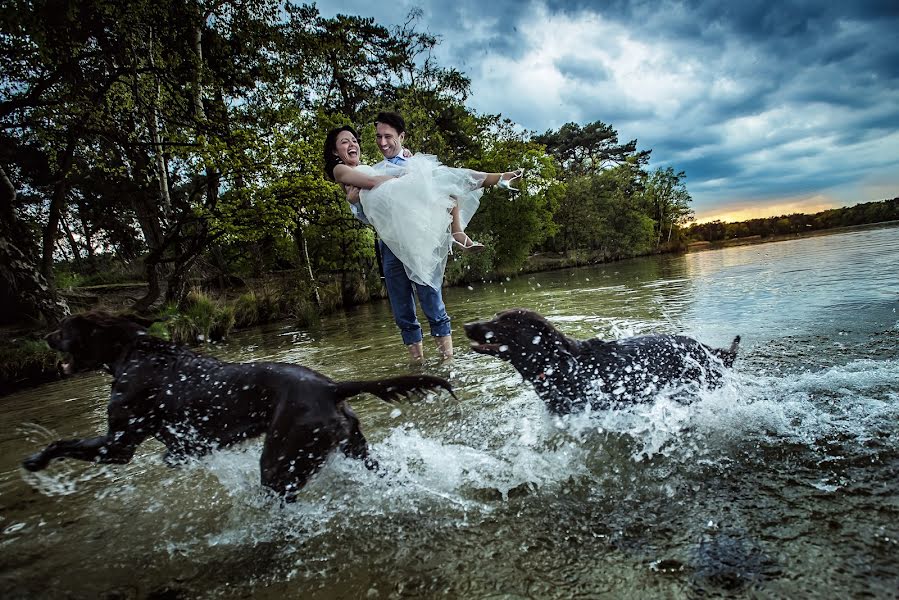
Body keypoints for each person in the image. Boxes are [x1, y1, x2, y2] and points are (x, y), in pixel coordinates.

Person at [322, 115, 521, 361]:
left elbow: (404, 192)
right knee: (402, 308)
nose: (381, 142)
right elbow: (371, 211)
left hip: (417, 238)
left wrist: (408, 172)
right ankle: (419, 364)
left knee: (431, 297)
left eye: (388, 137)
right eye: (345, 142)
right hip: (391, 242)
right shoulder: (356, 171)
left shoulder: (395, 164)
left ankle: (446, 361)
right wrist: (358, 200)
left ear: (401, 137)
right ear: (335, 150)